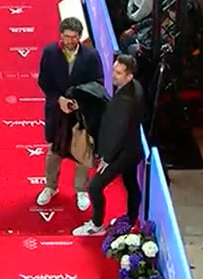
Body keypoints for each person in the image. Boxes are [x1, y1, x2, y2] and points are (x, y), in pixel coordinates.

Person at [74, 53, 144, 237]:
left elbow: (117, 132)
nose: (113, 75)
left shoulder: (125, 101)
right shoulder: (134, 87)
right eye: (114, 70)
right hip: (132, 149)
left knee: (95, 186)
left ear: (129, 76)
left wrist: (107, 157)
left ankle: (96, 225)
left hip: (122, 153)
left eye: (119, 73)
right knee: (131, 184)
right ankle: (131, 218)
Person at [37, 17, 99, 213]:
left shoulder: (90, 55)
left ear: (80, 37)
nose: (70, 41)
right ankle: (50, 186)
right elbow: (44, 81)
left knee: (82, 153)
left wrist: (80, 102)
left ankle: (81, 189)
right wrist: (59, 100)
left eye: (74, 37)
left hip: (81, 113)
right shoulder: (49, 53)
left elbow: (97, 82)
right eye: (66, 37)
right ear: (60, 35)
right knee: (54, 152)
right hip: (57, 111)